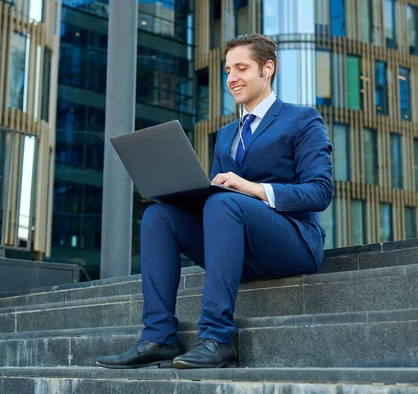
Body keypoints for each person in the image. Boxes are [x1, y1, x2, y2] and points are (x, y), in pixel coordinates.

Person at [95, 33, 333, 369]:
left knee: (224, 203)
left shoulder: (302, 119)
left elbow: (320, 191)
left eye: (241, 68)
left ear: (268, 68)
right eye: (227, 70)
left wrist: (252, 188)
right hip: (239, 247)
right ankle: (159, 336)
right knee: (159, 216)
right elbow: (218, 197)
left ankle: (216, 339)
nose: (232, 78)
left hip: (295, 243)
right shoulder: (225, 135)